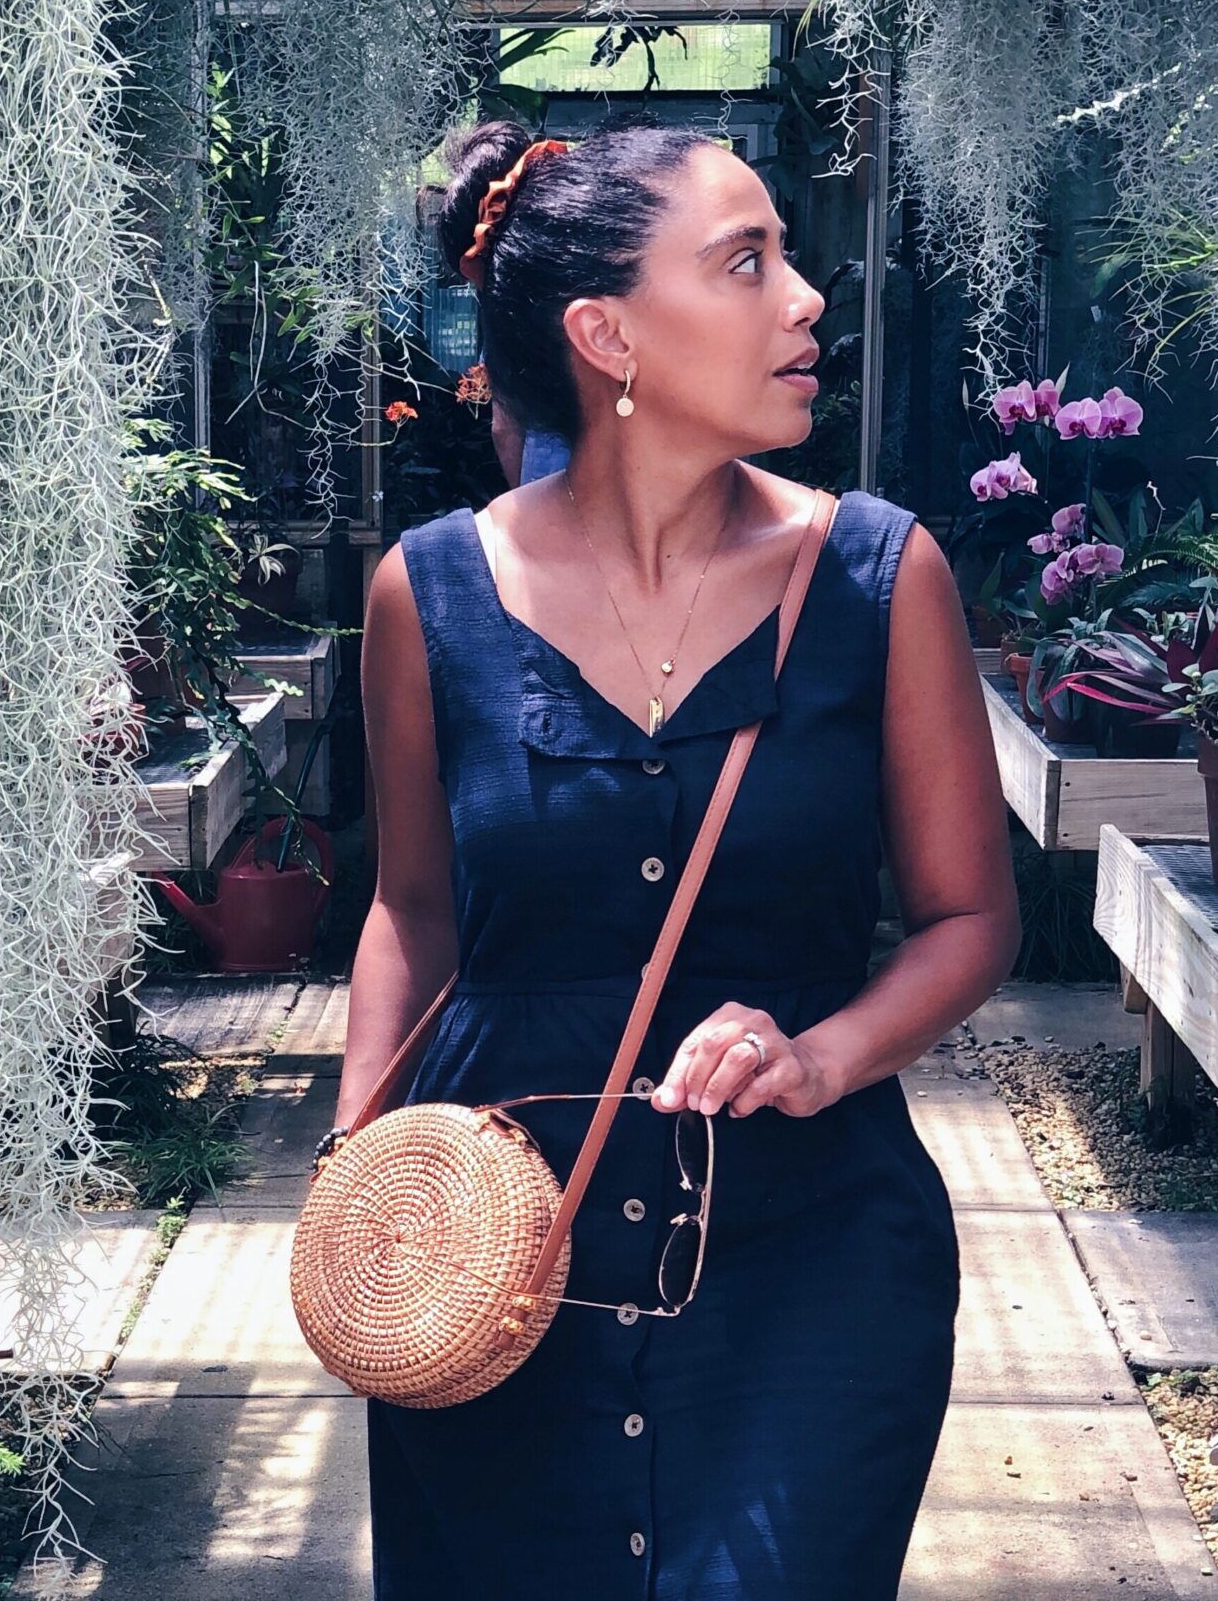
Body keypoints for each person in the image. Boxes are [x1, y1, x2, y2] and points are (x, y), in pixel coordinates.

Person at [339, 114, 1020, 1599]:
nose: (807, 301)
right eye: (746, 263)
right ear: (607, 333)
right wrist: (364, 1176)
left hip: (812, 1261)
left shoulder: (880, 575)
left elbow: (970, 917)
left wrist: (825, 1054)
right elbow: (410, 911)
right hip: (507, 1257)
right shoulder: (428, 597)